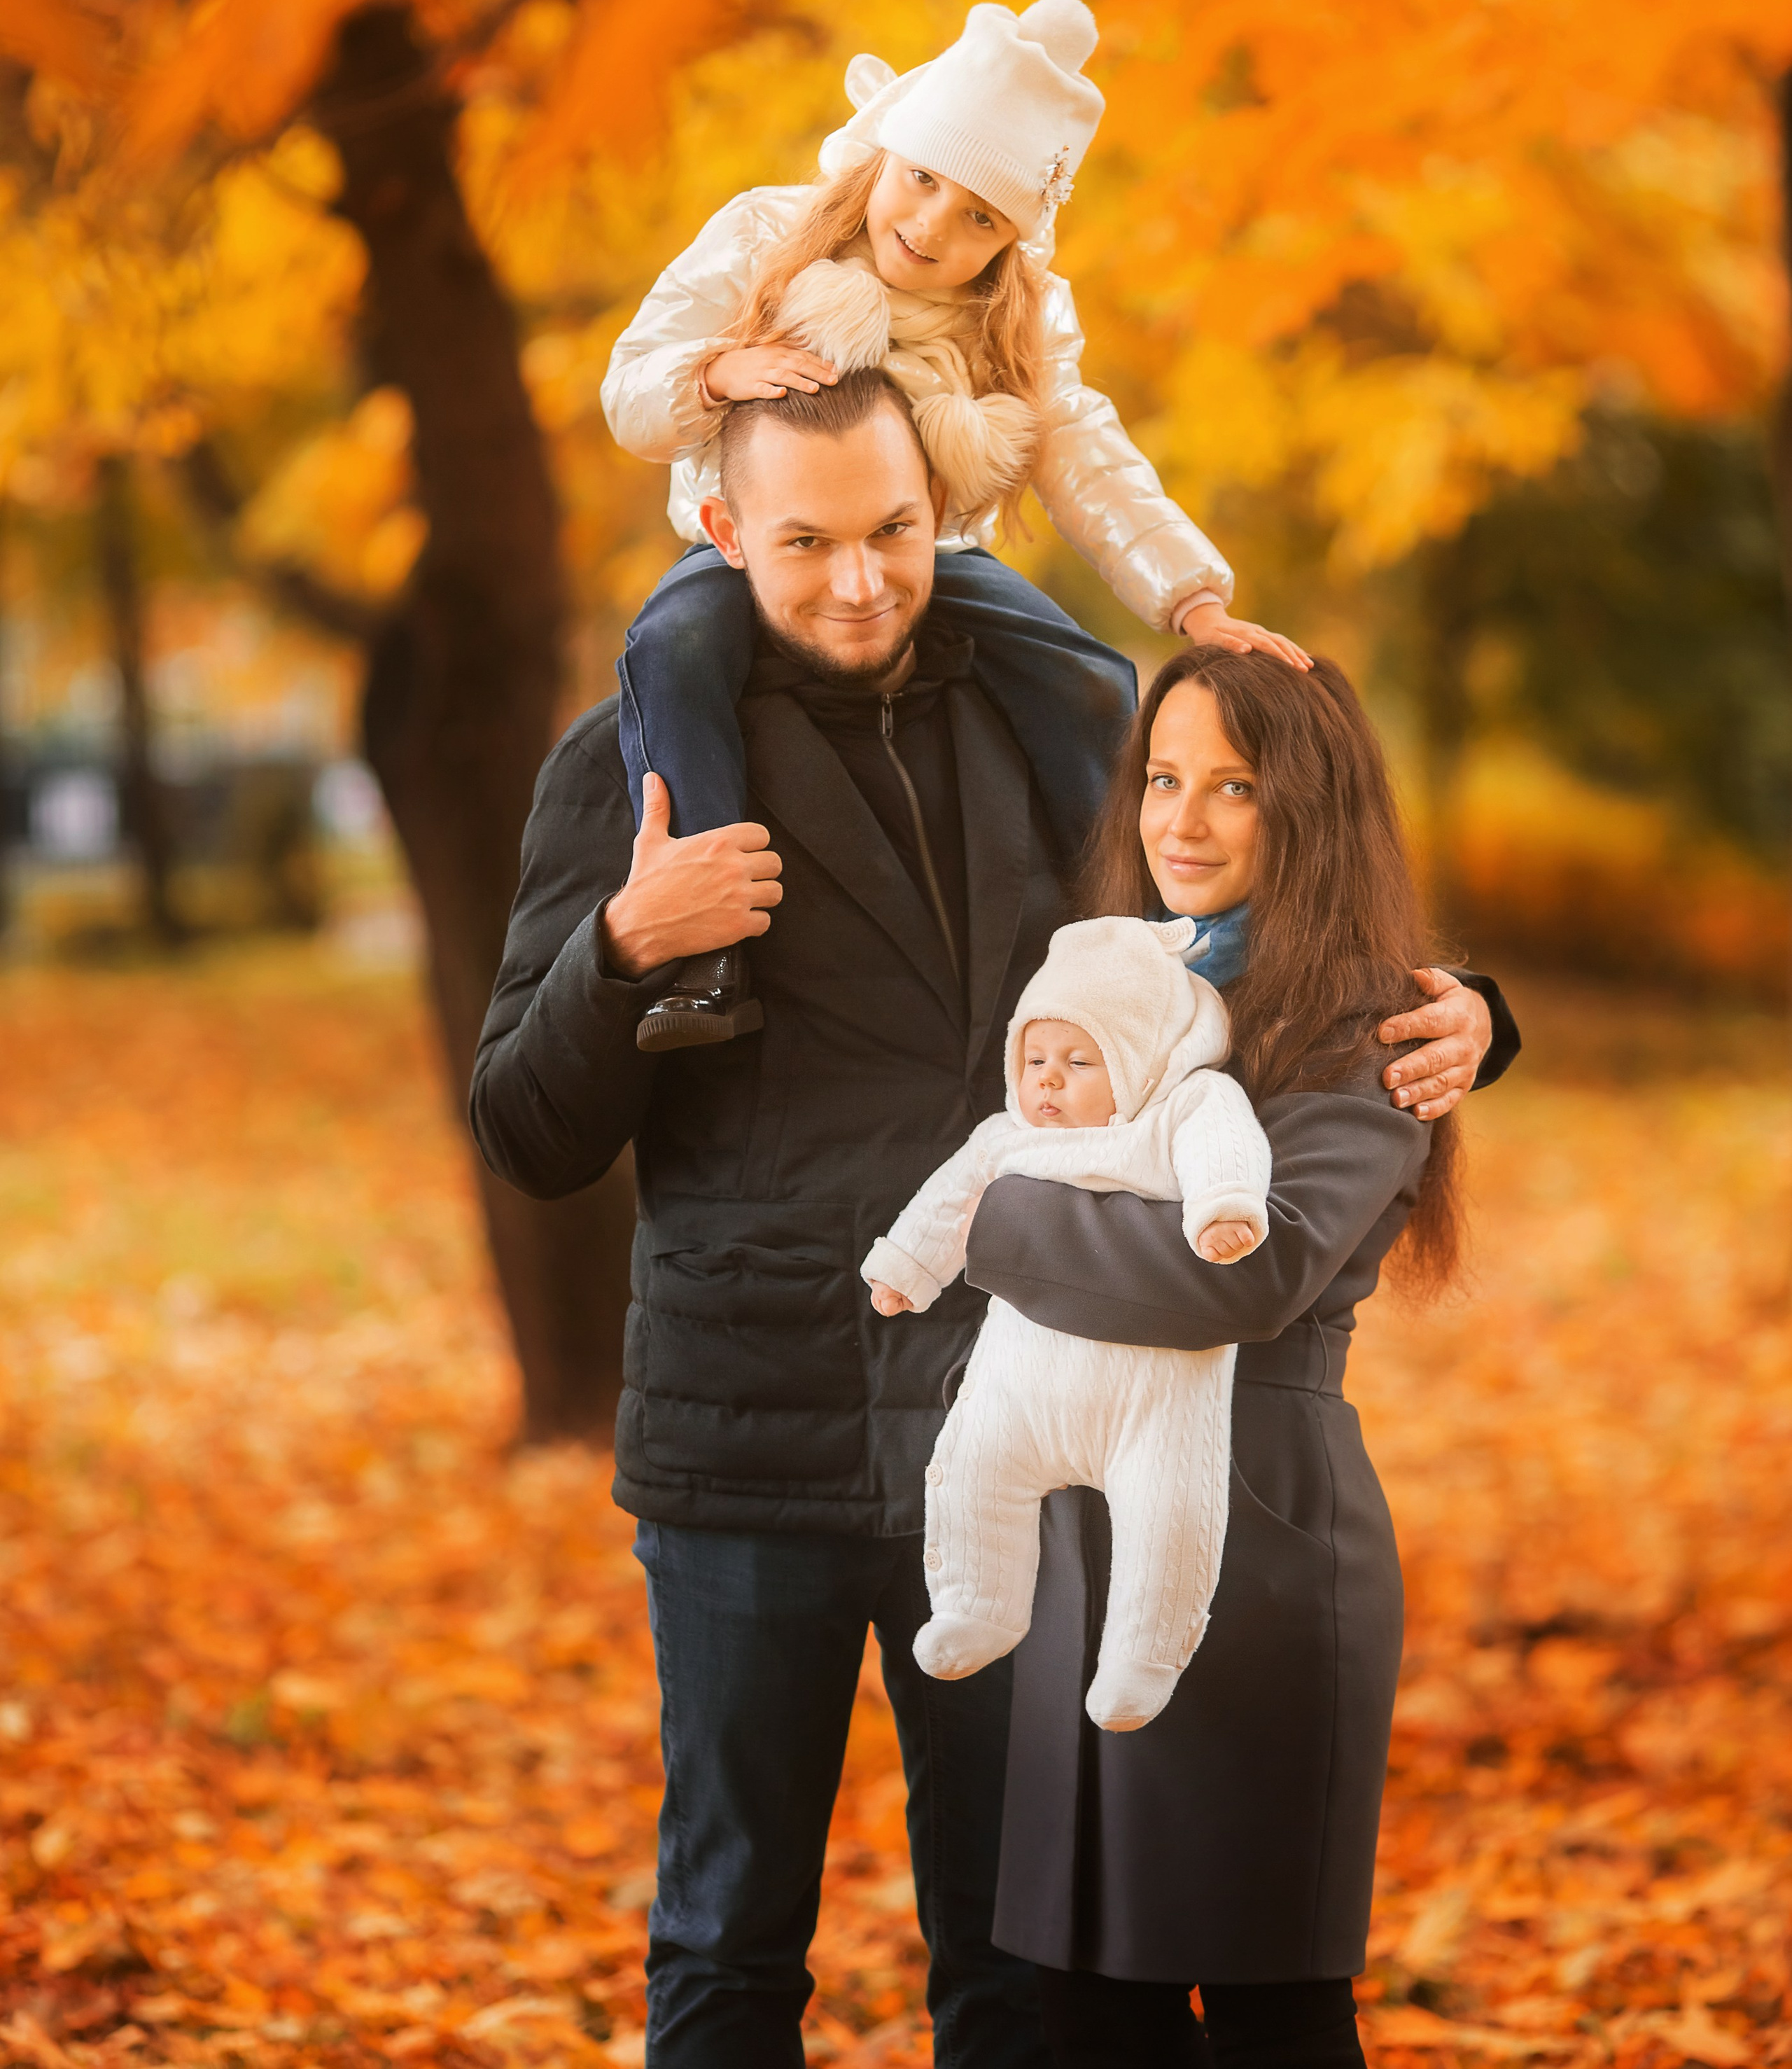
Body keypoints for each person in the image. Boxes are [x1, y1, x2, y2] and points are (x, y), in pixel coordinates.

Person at [469, 372, 1513, 2069]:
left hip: (1024, 1447)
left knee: (1017, 1963)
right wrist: (620, 951)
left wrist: (1469, 1010)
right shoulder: (632, 767)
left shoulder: (1052, 740)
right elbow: (522, 1129)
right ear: (724, 527)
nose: (858, 579)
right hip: (752, 1445)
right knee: (728, 1945)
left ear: (940, 511)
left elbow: (1251, 921)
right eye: (804, 541)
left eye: (892, 529)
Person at [960, 646, 1501, 2069]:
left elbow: (1245, 1272)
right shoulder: (1118, 984)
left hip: (1257, 1550)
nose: (1178, 820)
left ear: (1306, 809)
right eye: (1161, 776)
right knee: (1085, 2003)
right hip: (1082, 1539)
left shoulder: (1365, 1026)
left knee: (1267, 2006)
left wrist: (991, 1219)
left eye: (1233, 786)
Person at [601, 0, 1309, 1052]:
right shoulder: (766, 237)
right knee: (674, 645)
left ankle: (1148, 937)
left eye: (981, 216)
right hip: (750, 551)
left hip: (928, 559)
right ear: (886, 151)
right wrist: (714, 372)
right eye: (924, 179)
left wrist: (1192, 598)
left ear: (1013, 239)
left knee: (1084, 678)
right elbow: (629, 389)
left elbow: (1086, 455)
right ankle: (711, 944)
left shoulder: (1016, 317)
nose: (933, 227)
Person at [859, 914, 1270, 1732]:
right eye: (1035, 1060)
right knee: (971, 1466)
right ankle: (978, 1603)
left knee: (1172, 1513)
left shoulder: (1183, 1104)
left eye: (1081, 1063)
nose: (1049, 1081)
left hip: (1153, 1400)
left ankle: (1143, 1658)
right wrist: (907, 1269)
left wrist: (1223, 1208)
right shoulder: (1004, 1137)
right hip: (1021, 1382)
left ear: (1142, 1058)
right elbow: (947, 1202)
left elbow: (1227, 1148)